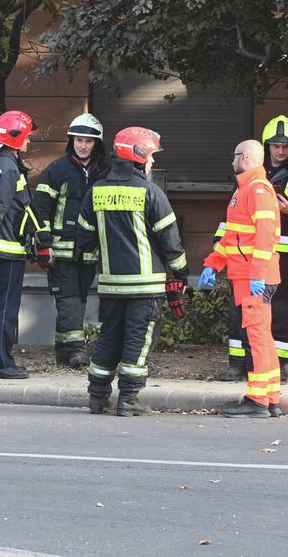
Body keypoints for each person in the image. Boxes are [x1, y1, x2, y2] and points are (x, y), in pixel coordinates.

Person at [77, 127, 187, 416]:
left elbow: (84, 239)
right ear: (139, 156)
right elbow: (170, 242)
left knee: (108, 338)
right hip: (145, 286)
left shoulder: (96, 191)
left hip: (111, 285)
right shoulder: (150, 192)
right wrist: (181, 273)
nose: (152, 162)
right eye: (151, 156)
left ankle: (97, 397)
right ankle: (129, 399)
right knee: (137, 341)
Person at [216, 116, 288, 381]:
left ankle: (277, 363)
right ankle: (238, 362)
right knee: (240, 309)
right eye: (275, 146)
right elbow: (231, 214)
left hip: (283, 257)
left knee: (281, 309)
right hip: (246, 257)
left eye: (285, 146)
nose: (280, 151)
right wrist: (219, 246)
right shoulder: (251, 174)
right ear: (266, 146)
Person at [198, 140, 282, 418]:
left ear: (244, 158)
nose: (232, 161)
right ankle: (270, 397)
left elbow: (266, 235)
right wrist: (212, 264)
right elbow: (232, 238)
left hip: (253, 277)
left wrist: (257, 272)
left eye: (234, 156)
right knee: (261, 336)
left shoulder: (256, 189)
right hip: (249, 275)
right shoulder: (246, 189)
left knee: (255, 337)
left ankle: (257, 401)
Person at [30, 113, 107, 369]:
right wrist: (44, 244)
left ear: (97, 143)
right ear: (71, 141)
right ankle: (76, 350)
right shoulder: (56, 170)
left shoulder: (105, 172)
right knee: (69, 299)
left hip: (90, 252)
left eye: (88, 141)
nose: (83, 145)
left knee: (77, 300)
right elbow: (41, 209)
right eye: (78, 140)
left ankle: (63, 350)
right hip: (60, 252)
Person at [0, 110, 42, 379]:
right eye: (26, 136)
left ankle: (2, 360)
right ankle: (1, 364)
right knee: (5, 308)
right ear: (15, 138)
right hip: (8, 247)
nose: (29, 141)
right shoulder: (9, 167)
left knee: (1, 305)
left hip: (3, 245)